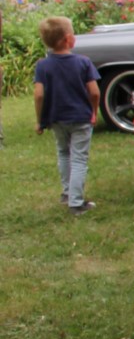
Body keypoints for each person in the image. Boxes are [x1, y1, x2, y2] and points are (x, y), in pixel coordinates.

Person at [33, 16, 101, 215]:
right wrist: (94, 112)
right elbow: (95, 92)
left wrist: (40, 120)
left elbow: (39, 94)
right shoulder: (83, 63)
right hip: (80, 117)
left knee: (63, 153)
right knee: (79, 158)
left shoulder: (43, 66)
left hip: (56, 118)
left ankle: (66, 193)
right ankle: (76, 202)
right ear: (68, 39)